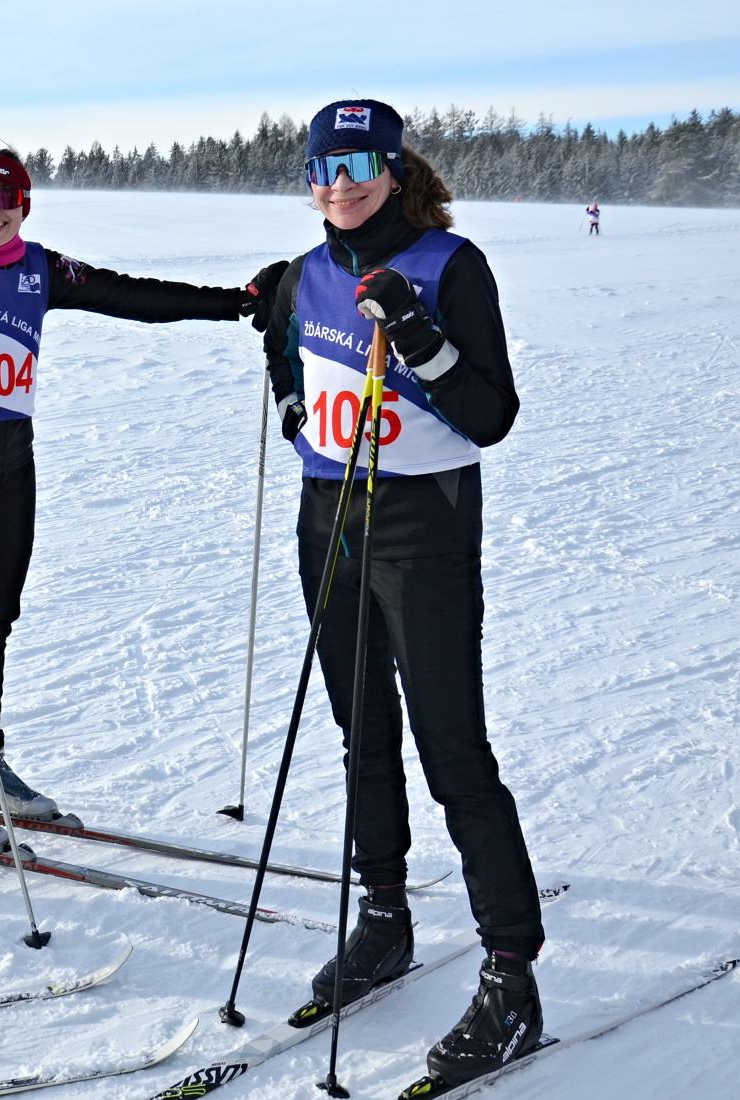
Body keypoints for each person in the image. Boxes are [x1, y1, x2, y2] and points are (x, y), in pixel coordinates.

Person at [0, 145, 286, 850]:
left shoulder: (42, 269)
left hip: (12, 459)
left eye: (7, 198)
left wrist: (232, 304)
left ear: (25, 205)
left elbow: (128, 295)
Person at [262, 99, 545, 1087]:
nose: (338, 185)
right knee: (362, 732)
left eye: (357, 165)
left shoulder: (449, 265)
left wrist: (419, 336)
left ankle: (511, 978)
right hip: (328, 515)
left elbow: (491, 412)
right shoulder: (305, 273)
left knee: (452, 748)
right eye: (322, 168)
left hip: (423, 524)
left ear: (393, 167)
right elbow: (281, 347)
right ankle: (384, 916)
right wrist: (293, 405)